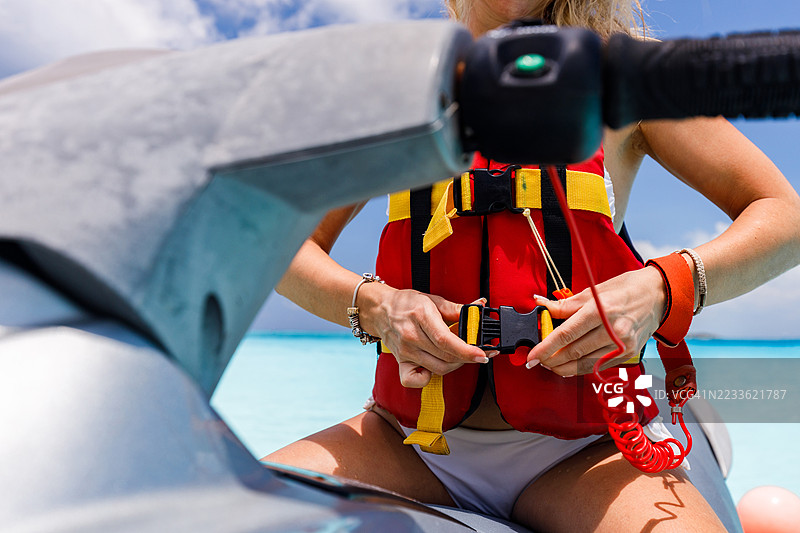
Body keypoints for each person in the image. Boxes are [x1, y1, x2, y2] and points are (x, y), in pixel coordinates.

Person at [265, 1, 800, 531]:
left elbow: (784, 216)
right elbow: (280, 246)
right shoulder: (395, 90)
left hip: (592, 448)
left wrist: (661, 288)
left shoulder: (624, 76)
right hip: (406, 443)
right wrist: (377, 307)